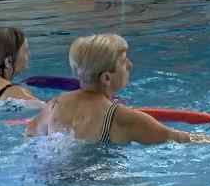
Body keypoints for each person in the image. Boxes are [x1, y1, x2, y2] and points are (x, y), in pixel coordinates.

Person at [23, 33, 193, 145]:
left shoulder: (55, 104)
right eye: (123, 61)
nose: (130, 65)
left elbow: (30, 134)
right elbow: (177, 138)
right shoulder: (120, 117)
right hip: (95, 182)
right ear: (106, 78)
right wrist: (209, 139)